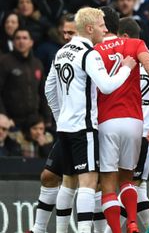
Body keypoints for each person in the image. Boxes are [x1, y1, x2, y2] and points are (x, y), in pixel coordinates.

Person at [45, 7, 137, 233]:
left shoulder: (63, 51)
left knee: (68, 181)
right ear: (89, 28)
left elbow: (49, 90)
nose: (105, 30)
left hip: (65, 127)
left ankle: (61, 230)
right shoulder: (90, 53)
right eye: (102, 25)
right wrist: (125, 69)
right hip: (84, 127)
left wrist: (61, 117)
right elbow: (106, 86)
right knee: (87, 183)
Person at [94, 6, 149, 233]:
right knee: (134, 185)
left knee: (107, 185)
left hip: (110, 120)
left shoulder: (99, 52)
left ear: (123, 36)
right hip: (143, 127)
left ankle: (118, 229)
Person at [28, 15, 78, 233]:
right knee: (49, 176)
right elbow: (50, 90)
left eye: (71, 33)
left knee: (91, 185)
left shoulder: (92, 55)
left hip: (91, 129)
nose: (66, 37)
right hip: (67, 127)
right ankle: (38, 229)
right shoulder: (61, 55)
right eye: (64, 32)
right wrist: (60, 119)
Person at [0, 28, 52, 129]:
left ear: (31, 42)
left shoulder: (37, 64)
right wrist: (2, 115)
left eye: (25, 38)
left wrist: (47, 118)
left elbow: (43, 92)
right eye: (18, 38)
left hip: (34, 121)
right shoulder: (4, 62)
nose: (21, 41)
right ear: (13, 42)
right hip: (10, 121)